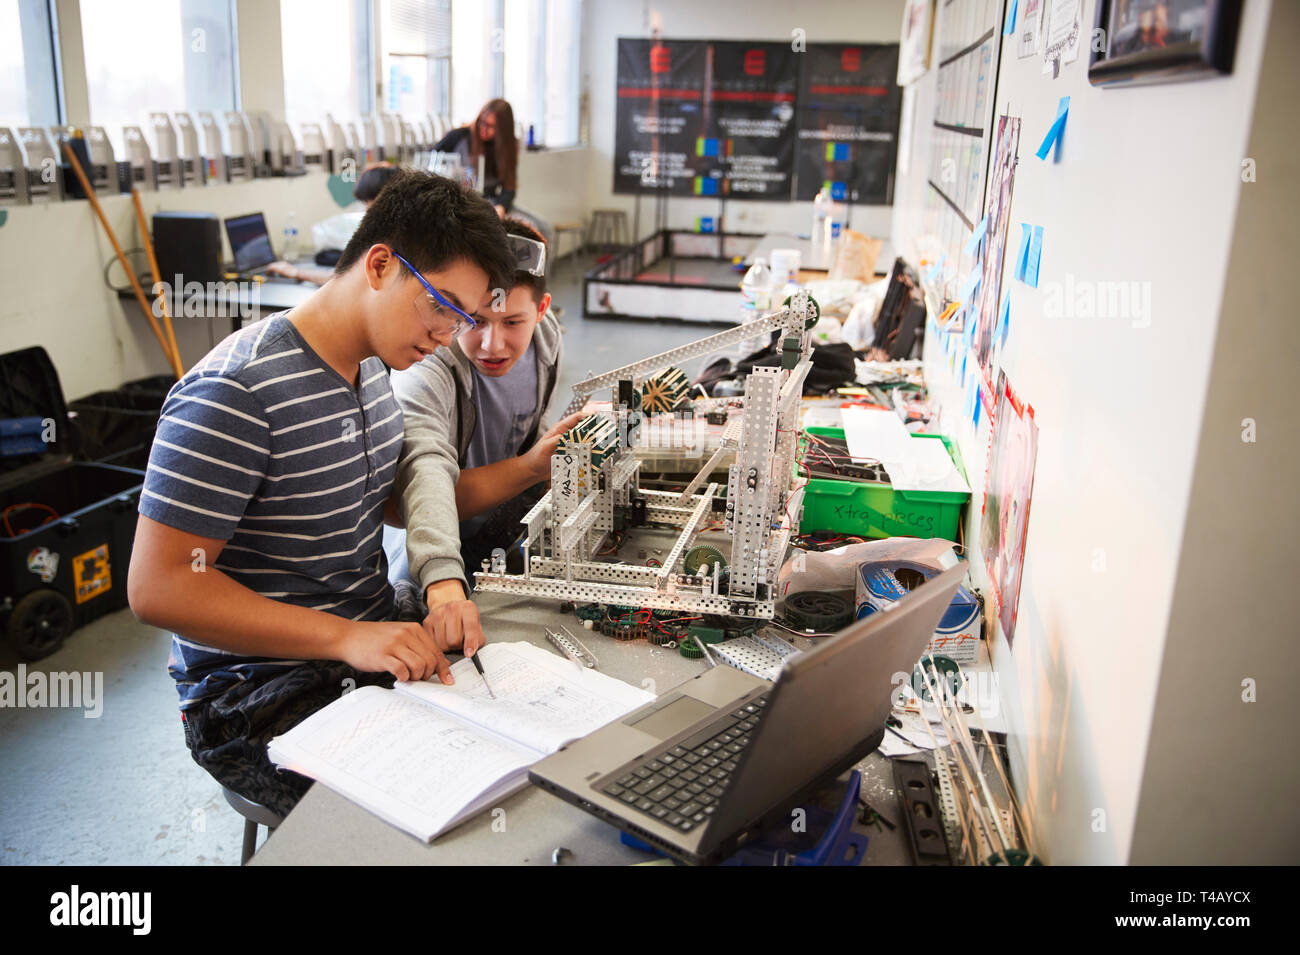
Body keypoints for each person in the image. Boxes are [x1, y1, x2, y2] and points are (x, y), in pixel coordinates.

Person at [128, 170, 516, 818]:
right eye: (440, 305)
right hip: (256, 689)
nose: (448, 334)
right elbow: (158, 586)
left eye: (462, 317)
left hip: (359, 633)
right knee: (425, 808)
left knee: (504, 743)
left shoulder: (370, 366)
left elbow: (380, 503)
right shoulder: (238, 390)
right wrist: (345, 638)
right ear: (381, 264)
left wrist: (448, 569)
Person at [389, 218, 580, 606]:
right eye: (475, 321)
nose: (494, 345)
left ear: (542, 309)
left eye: (512, 322)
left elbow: (527, 426)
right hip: (427, 556)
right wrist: (530, 468)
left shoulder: (546, 340)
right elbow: (418, 492)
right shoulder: (425, 371)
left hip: (502, 532)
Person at [266, 163, 400, 285]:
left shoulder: (391, 241)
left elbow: (344, 280)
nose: (366, 209)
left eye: (368, 201)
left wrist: (295, 272)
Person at [433, 99, 519, 217]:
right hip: (458, 203)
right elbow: (430, 159)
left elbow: (509, 187)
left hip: (488, 202)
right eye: (481, 122)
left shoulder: (507, 148)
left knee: (540, 226)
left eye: (490, 126)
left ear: (502, 130)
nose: (483, 128)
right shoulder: (458, 136)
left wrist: (501, 207)